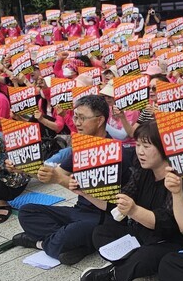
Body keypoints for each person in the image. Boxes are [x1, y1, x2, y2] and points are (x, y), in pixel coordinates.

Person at [80, 122, 183, 281]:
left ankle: (114, 273)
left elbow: (167, 223)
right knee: (100, 232)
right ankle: (140, 271)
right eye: (137, 145)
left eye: (146, 146)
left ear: (164, 149)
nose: (140, 151)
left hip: (172, 242)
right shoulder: (143, 171)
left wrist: (134, 210)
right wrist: (83, 192)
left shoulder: (180, 179)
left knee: (148, 256)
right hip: (143, 236)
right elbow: (117, 204)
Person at [13, 95, 116, 264]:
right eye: (75, 117)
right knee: (27, 211)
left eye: (82, 118)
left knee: (75, 231)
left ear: (100, 120)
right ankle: (70, 245)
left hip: (101, 216)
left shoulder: (111, 151)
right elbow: (56, 173)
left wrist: (59, 179)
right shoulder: (82, 147)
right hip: (78, 211)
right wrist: (23, 168)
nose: (77, 123)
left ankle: (41, 242)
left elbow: (108, 203)